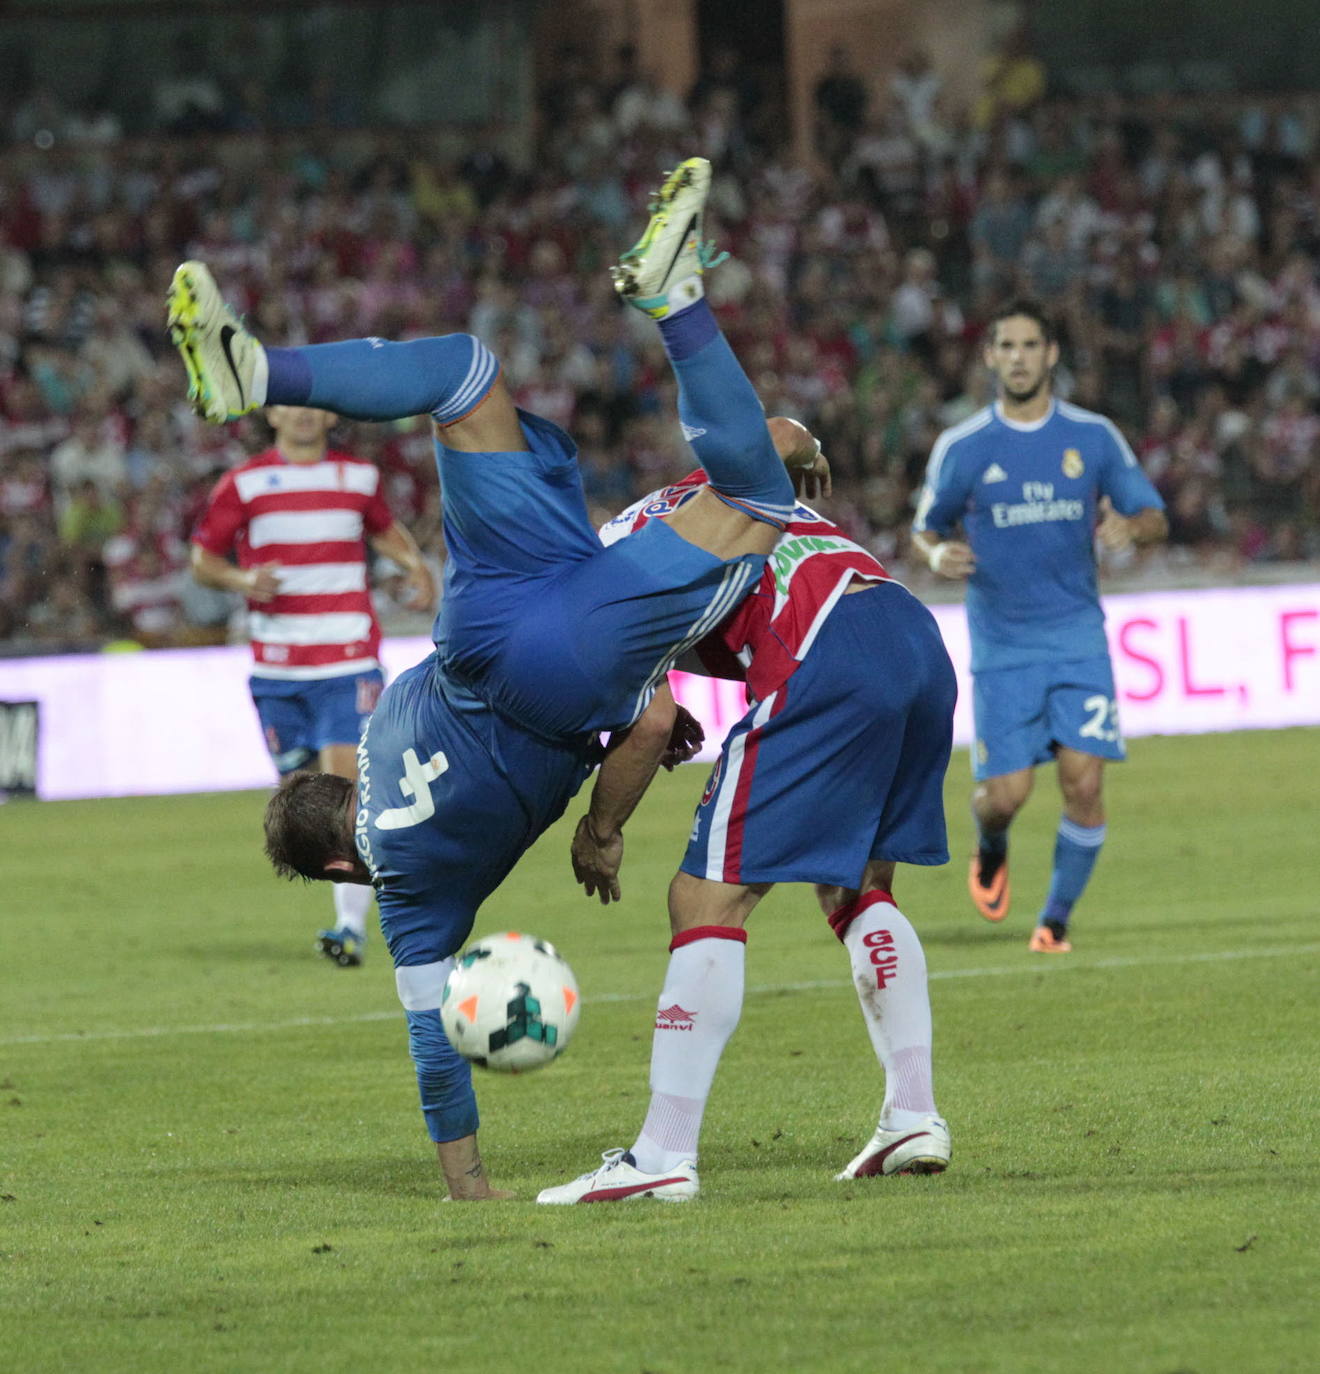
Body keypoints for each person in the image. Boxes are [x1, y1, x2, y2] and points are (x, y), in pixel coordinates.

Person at [167, 158, 799, 1201]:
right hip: (484, 613)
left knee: (754, 496)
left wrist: (470, 1187)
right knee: (464, 374)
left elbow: (432, 1057)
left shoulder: (412, 902)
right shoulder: (372, 737)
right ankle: (261, 374)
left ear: (340, 874)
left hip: (553, 674)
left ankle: (675, 298)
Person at [536, 425, 958, 1205]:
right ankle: (913, 1113)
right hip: (912, 637)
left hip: (819, 655)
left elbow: (651, 722)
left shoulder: (613, 558)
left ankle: (661, 1154)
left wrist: (600, 831)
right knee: (860, 885)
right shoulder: (691, 499)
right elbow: (782, 435)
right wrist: (811, 454)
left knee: (704, 897)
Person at [912, 299, 1168, 953]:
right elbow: (925, 529)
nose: (1020, 357)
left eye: (1031, 345)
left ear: (1051, 354)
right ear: (991, 357)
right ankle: (990, 843)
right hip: (1002, 646)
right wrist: (939, 554)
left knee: (1084, 779)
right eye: (1007, 346)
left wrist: (1130, 526)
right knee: (1005, 796)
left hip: (1077, 637)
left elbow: (1154, 517)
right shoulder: (965, 447)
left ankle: (1054, 920)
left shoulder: (1092, 437)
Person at [190, 403, 435, 968]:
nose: (303, 416)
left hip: (348, 660)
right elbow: (202, 559)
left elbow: (386, 532)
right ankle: (349, 905)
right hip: (277, 669)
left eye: (314, 407)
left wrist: (416, 567)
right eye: (292, 406)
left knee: (345, 790)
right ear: (272, 415)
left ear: (330, 418)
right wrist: (243, 578)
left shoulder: (358, 478)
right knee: (300, 796)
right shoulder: (244, 483)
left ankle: (350, 928)